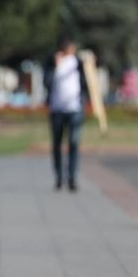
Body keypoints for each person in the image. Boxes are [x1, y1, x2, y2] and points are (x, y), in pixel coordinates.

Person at [43, 37, 87, 192]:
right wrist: (56, 66)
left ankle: (72, 177)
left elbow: (87, 80)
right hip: (57, 109)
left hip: (74, 108)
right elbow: (46, 82)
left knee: (73, 143)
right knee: (57, 144)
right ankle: (59, 177)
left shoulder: (78, 63)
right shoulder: (52, 62)